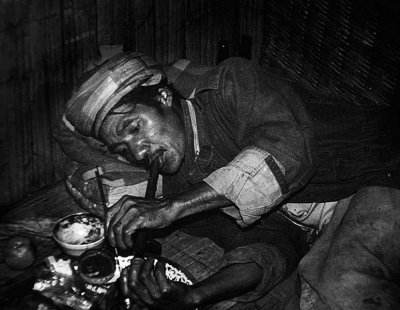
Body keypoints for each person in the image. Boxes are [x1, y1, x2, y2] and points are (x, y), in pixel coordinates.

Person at [56, 51, 400, 310]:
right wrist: (193, 296)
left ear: (163, 98)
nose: (139, 151)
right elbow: (266, 247)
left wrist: (174, 207)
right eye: (123, 149)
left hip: (380, 170)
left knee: (341, 286)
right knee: (306, 298)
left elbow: (289, 149)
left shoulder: (230, 85)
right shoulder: (184, 187)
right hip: (329, 231)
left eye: (134, 127)